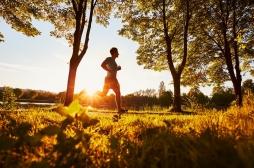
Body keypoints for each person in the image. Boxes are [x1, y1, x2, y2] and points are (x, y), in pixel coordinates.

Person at [99, 47, 127, 119]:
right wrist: (109, 70)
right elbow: (102, 65)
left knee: (118, 93)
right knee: (103, 94)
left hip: (113, 79)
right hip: (109, 79)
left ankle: (119, 109)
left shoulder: (114, 61)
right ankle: (93, 94)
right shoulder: (109, 59)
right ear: (114, 53)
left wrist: (117, 68)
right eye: (117, 52)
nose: (118, 53)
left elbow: (113, 69)